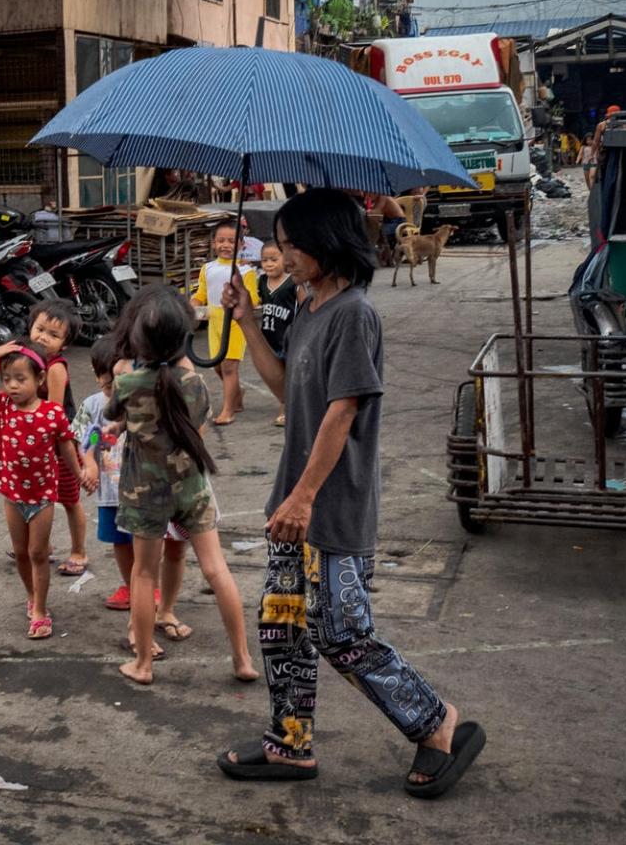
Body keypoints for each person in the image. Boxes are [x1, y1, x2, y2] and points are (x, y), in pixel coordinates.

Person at [218, 189, 484, 797]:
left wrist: (306, 495)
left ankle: (437, 723)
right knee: (282, 626)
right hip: (293, 504)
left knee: (340, 629)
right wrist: (248, 323)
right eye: (280, 247)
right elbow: (290, 392)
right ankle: (289, 744)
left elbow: (344, 410)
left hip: (330, 505)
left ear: (327, 243)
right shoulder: (312, 310)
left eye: (291, 246)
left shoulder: (356, 314)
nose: (284, 258)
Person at [108, 285, 259, 687]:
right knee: (215, 568)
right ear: (185, 339)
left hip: (144, 491)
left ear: (138, 339)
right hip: (191, 486)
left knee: (143, 573)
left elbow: (113, 417)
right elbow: (199, 424)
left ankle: (142, 663)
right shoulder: (195, 383)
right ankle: (242, 658)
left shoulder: (126, 383)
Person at [0, 340, 83, 641]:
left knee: (37, 553)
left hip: (43, 497)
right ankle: (32, 596)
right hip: (12, 496)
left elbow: (66, 447)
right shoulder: (3, 407)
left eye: (21, 379)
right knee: (20, 553)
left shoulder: (52, 413)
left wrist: (80, 474)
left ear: (40, 379)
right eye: (7, 380)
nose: (13, 386)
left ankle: (41, 611)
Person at [81, 337, 189, 647]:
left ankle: (154, 600)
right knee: (121, 543)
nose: (114, 394)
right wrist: (88, 463)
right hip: (112, 491)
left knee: (158, 546)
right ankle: (134, 590)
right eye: (107, 387)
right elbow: (87, 437)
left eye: (118, 385)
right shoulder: (93, 405)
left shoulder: (146, 396)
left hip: (148, 489)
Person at [26, 299, 91, 576]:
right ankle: (43, 546)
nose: (43, 337)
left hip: (60, 442)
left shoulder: (54, 368)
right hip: (39, 440)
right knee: (36, 497)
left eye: (53, 335)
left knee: (68, 497)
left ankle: (79, 551)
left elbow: (51, 413)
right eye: (40, 329)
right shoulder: (28, 358)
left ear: (64, 344)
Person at [190, 220, 258, 426]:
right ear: (213, 244)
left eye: (231, 241)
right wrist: (193, 304)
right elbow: (201, 293)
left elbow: (253, 299)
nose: (225, 245)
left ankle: (228, 410)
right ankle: (237, 393)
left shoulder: (246, 272)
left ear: (241, 245)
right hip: (214, 322)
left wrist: (238, 298)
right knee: (217, 367)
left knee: (229, 367)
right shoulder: (207, 268)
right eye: (220, 240)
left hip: (234, 323)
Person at [256, 241, 298, 429]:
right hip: (269, 336)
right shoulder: (262, 282)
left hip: (288, 336)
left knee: (289, 374)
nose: (269, 264)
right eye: (264, 260)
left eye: (274, 259)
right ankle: (286, 404)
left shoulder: (293, 283)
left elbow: (304, 306)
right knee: (277, 374)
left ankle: (286, 409)